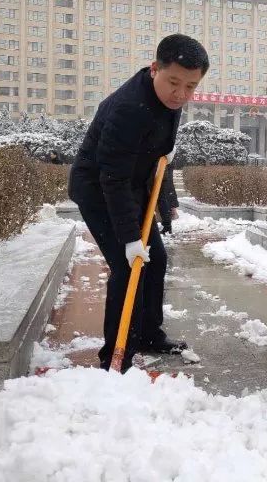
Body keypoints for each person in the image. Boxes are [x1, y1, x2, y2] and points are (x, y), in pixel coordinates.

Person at [68, 34, 209, 372]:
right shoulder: (129, 108)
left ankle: (148, 333)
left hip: (131, 185)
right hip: (100, 190)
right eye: (173, 82)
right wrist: (131, 238)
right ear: (154, 68)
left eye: (191, 87)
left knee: (156, 259)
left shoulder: (170, 99)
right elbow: (112, 179)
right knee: (129, 267)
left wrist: (166, 195)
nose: (181, 94)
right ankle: (117, 355)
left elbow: (158, 158)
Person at [157, 163, 179, 235]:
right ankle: (167, 226)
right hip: (163, 166)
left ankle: (167, 226)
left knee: (163, 196)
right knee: (163, 195)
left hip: (162, 166)